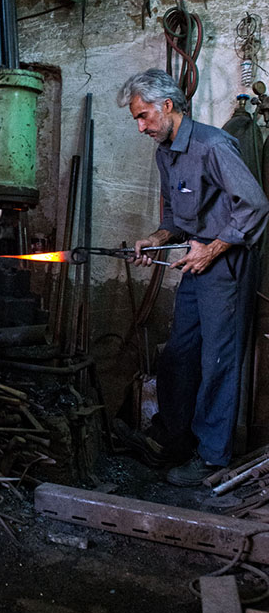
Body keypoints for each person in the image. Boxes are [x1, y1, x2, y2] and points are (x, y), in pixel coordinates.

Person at [114, 68, 269, 486]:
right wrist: (158, 237)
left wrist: (214, 247)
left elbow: (255, 206)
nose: (141, 126)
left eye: (144, 116)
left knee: (218, 360)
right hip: (197, 261)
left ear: (167, 106)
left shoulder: (213, 145)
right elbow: (177, 218)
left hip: (227, 264)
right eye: (137, 119)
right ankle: (173, 438)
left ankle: (212, 458)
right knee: (179, 354)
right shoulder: (165, 151)